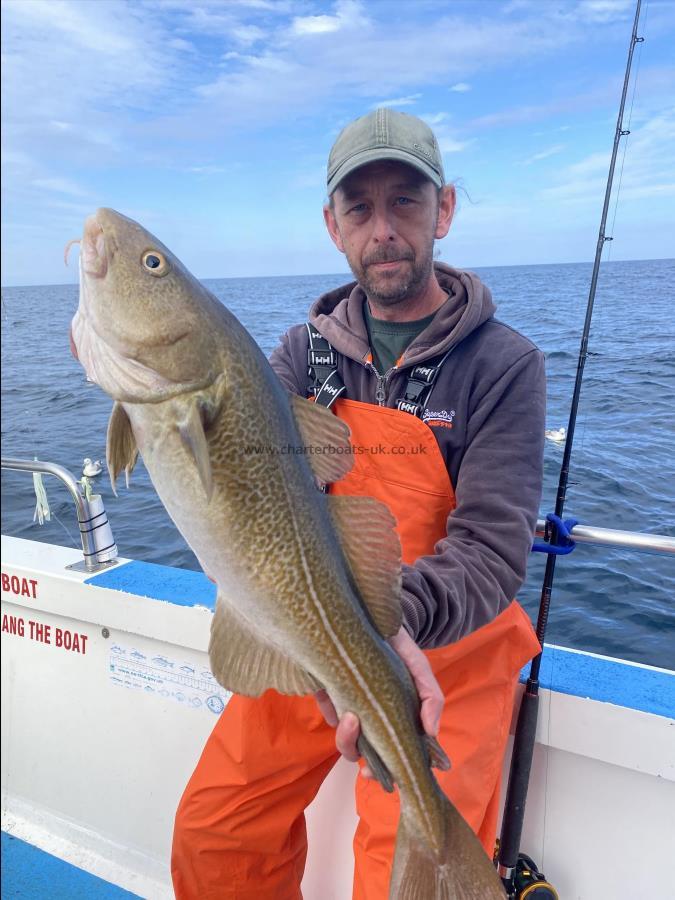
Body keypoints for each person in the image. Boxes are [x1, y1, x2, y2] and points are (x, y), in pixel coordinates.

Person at [172, 108, 545, 899]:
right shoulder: (298, 356)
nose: (384, 229)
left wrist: (394, 621)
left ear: (442, 211)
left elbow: (492, 544)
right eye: (360, 208)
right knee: (218, 831)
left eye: (404, 203)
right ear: (332, 226)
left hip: (451, 651)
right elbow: (243, 485)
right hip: (312, 632)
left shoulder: (503, 365)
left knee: (398, 870)